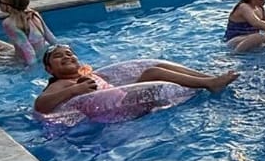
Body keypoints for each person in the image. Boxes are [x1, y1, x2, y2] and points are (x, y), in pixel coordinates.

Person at [34, 44, 239, 116]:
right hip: (119, 110)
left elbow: (105, 85)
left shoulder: (83, 75)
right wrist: (73, 91)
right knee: (151, 73)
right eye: (59, 57)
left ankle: (209, 78)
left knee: (157, 68)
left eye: (69, 54)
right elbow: (41, 105)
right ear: (49, 69)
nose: (67, 57)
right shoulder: (61, 84)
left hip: (122, 100)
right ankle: (210, 83)